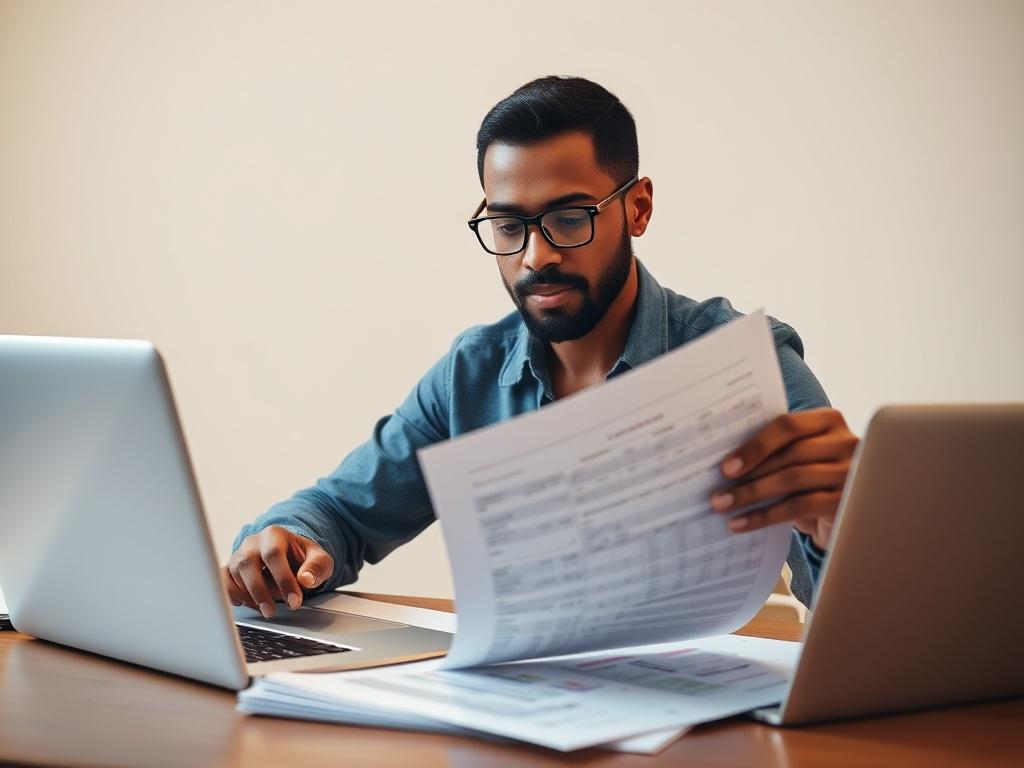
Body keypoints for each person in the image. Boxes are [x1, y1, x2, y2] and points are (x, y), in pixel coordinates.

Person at [222, 76, 859, 620]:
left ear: (637, 209)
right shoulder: (470, 376)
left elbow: (854, 607)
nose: (537, 256)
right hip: (521, 721)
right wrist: (286, 542)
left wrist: (841, 528)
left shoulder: (743, 364)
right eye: (509, 224)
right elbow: (341, 510)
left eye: (570, 217)